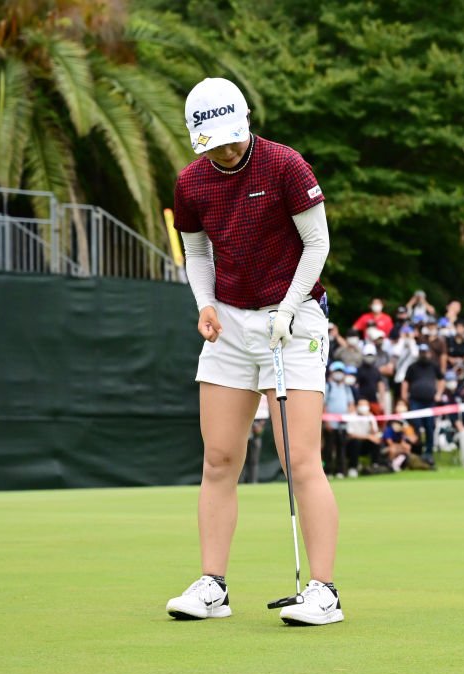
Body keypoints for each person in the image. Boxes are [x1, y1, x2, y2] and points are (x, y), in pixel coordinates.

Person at [167, 78, 342, 625]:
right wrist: (204, 303)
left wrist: (287, 309)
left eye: (231, 139)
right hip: (230, 321)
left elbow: (317, 243)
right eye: (214, 144)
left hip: (294, 316)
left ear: (245, 121)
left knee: (300, 460)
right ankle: (212, 586)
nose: (225, 151)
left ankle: (324, 591)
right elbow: (197, 252)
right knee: (219, 458)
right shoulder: (191, 182)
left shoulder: (284, 164)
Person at [401, 343, 443, 467]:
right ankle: (417, 451)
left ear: (429, 353)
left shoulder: (434, 366)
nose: (424, 355)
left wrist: (439, 393)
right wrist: (404, 395)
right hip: (415, 400)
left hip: (429, 401)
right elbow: (405, 381)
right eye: (422, 352)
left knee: (430, 426)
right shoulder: (413, 367)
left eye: (425, 352)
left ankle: (428, 452)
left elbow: (441, 379)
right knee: (416, 425)